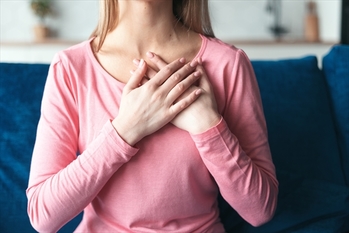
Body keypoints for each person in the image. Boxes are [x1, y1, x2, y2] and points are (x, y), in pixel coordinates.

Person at [26, 0, 279, 232]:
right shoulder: (71, 68)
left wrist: (209, 126)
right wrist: (124, 130)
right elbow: (42, 215)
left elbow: (260, 210)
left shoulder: (228, 64)